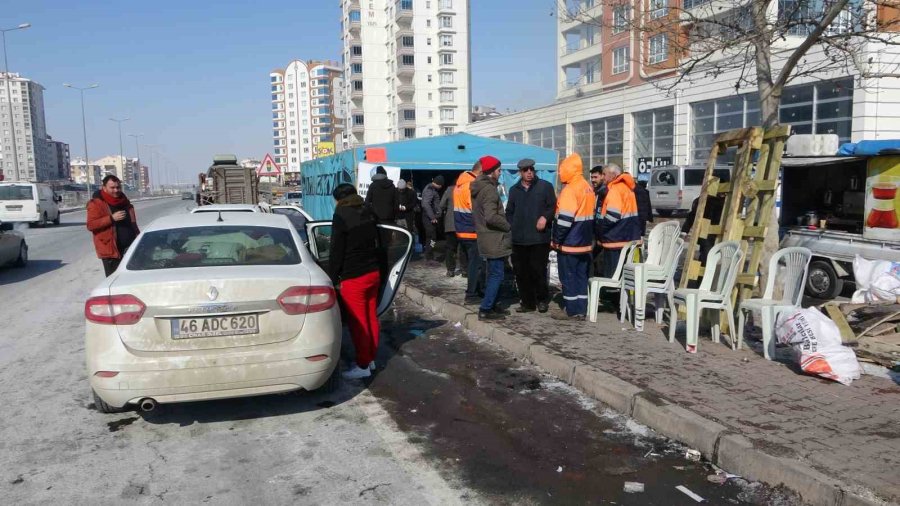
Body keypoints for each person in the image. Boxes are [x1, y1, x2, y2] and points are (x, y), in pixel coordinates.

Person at [328, 183, 385, 380]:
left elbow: (336, 250)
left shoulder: (341, 214)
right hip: (373, 273)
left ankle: (362, 365)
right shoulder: (368, 210)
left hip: (354, 277)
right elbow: (380, 243)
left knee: (359, 323)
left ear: (338, 199)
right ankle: (370, 359)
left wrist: (332, 277)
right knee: (371, 318)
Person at [505, 158, 556, 313]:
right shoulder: (514, 190)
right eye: (525, 170)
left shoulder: (545, 187)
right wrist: (513, 226)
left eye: (531, 170)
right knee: (521, 272)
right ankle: (527, 303)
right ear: (520, 172)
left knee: (538, 270)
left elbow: (552, 206)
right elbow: (509, 212)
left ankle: (541, 300)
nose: (529, 173)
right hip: (519, 240)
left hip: (539, 238)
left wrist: (545, 217)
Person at [550, 154, 596, 321]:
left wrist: (556, 240)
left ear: (568, 170)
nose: (560, 173)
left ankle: (571, 310)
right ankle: (581, 309)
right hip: (584, 243)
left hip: (570, 243)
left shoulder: (569, 190)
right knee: (581, 277)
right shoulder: (587, 187)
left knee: (568, 277)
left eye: (561, 170)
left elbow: (564, 221)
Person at [470, 156, 511, 320]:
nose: (500, 173)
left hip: (486, 237)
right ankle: (486, 308)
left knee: (492, 273)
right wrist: (507, 225)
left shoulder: (479, 187)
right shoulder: (489, 190)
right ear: (492, 171)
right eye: (499, 170)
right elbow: (491, 217)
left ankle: (492, 304)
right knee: (496, 275)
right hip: (494, 238)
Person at [87, 175, 140, 277]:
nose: (116, 190)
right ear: (104, 188)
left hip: (130, 248)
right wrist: (111, 218)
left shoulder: (124, 201)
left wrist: (138, 238)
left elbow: (133, 224)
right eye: (112, 188)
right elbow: (91, 225)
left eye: (118, 187)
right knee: (115, 281)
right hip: (112, 251)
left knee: (132, 279)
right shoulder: (96, 203)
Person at [597, 163, 642, 278]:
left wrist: (599, 231)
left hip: (615, 239)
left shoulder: (615, 189)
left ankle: (612, 295)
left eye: (604, 174)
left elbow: (612, 216)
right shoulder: (627, 188)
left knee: (612, 277)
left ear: (613, 175)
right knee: (624, 276)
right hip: (627, 238)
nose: (602, 177)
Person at [454, 161, 485, 303]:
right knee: (476, 264)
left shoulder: (459, 185)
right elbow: (476, 210)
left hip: (461, 229)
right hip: (471, 230)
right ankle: (472, 294)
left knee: (472, 262)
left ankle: (475, 291)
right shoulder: (471, 186)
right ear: (480, 172)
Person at [439, 180, 468, 277]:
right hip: (464, 223)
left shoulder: (449, 190)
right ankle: (465, 270)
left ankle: (450, 270)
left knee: (450, 248)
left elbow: (442, 205)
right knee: (463, 248)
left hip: (451, 224)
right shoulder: (468, 190)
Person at [589, 165, 608, 277]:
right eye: (592, 177)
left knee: (601, 266)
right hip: (595, 236)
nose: (593, 180)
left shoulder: (605, 193)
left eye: (595, 177)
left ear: (602, 176)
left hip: (603, 238)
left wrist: (601, 237)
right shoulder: (594, 192)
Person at [420, 175, 444, 261]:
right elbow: (426, 204)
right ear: (438, 184)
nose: (441, 187)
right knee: (432, 237)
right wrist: (433, 217)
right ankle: (429, 255)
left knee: (431, 237)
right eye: (441, 185)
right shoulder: (429, 190)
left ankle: (429, 254)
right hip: (429, 218)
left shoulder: (432, 189)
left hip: (430, 217)